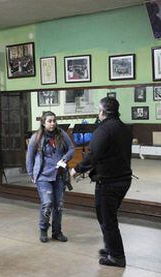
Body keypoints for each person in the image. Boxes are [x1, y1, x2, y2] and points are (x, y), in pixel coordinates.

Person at [70, 97, 132, 268]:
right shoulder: (124, 128)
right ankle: (110, 248)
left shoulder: (104, 130)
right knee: (109, 216)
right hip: (124, 180)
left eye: (99, 110)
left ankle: (117, 257)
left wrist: (77, 169)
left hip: (108, 182)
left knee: (107, 219)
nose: (99, 113)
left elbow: (93, 154)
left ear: (103, 112)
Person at [26, 111, 74, 243]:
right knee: (47, 204)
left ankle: (57, 232)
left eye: (54, 121)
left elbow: (71, 149)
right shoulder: (36, 137)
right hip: (43, 176)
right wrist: (31, 174)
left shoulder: (61, 134)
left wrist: (65, 158)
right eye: (49, 121)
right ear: (43, 122)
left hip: (59, 176)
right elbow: (29, 157)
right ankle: (43, 230)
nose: (52, 123)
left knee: (58, 205)